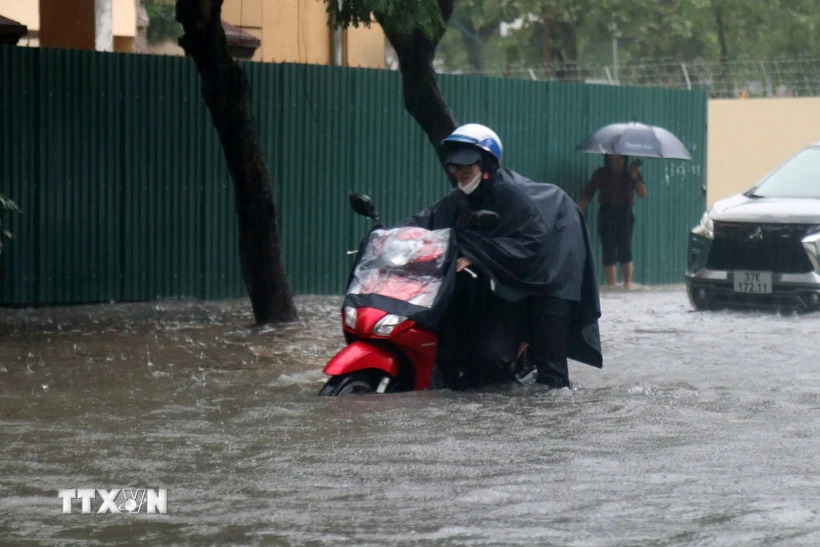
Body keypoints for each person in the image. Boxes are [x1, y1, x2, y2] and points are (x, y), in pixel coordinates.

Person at [397, 123, 603, 389]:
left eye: (467, 167)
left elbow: (531, 243)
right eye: (455, 167)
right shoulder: (460, 197)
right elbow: (426, 221)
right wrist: (387, 239)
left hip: (554, 269)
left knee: (551, 377)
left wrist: (477, 254)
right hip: (511, 276)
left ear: (486, 167)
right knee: (483, 358)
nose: (459, 173)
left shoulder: (511, 196)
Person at [578, 154, 647, 289]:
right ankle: (612, 285)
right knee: (608, 248)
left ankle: (627, 283)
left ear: (624, 160)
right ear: (607, 160)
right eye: (612, 160)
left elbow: (642, 193)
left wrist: (635, 177)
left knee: (624, 247)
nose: (615, 163)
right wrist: (578, 212)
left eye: (619, 160)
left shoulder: (631, 173)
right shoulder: (601, 174)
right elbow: (587, 194)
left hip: (625, 213)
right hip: (607, 212)